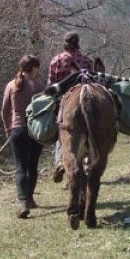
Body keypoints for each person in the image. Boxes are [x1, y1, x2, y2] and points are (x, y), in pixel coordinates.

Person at [1, 55, 45, 219]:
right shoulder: (39, 86)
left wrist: (7, 127)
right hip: (35, 131)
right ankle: (30, 198)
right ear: (33, 68)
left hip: (17, 129)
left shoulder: (11, 85)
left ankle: (23, 202)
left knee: (20, 166)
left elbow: (4, 110)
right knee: (32, 166)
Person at [47, 32, 93, 182]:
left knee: (62, 131)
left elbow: (51, 85)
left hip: (63, 100)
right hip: (85, 98)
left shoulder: (56, 60)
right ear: (78, 43)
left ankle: (60, 161)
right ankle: (88, 160)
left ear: (64, 43)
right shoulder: (86, 60)